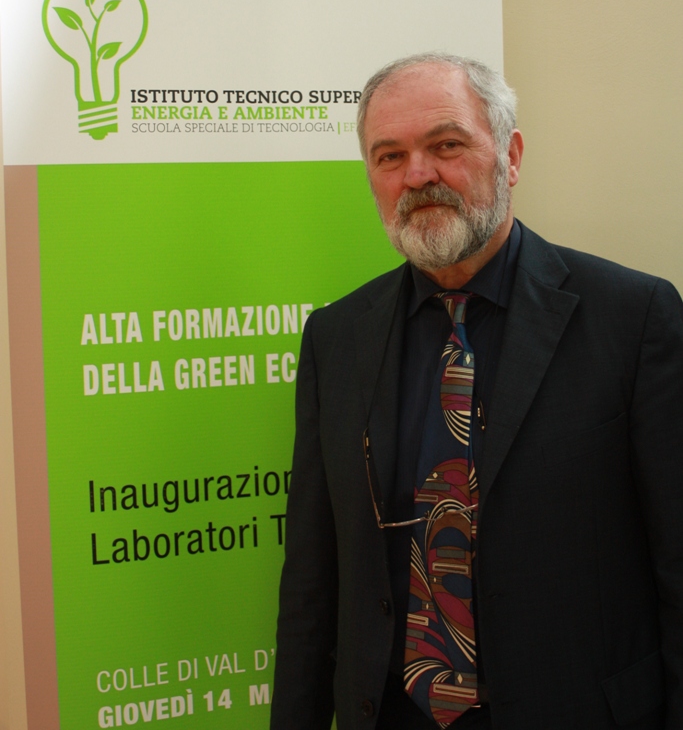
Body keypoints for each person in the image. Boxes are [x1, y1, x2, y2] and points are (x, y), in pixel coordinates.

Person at [271, 53, 683, 730]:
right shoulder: (336, 338)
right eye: (389, 156)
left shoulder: (633, 319)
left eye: (446, 145)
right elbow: (312, 578)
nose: (417, 175)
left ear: (509, 156)